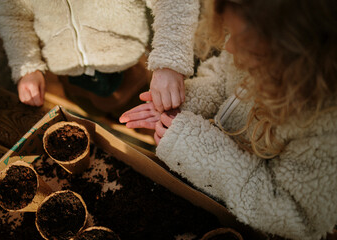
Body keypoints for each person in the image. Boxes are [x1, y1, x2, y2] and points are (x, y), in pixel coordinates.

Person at [120, 0, 337, 239]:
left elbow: (296, 217)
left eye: (248, 46)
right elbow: (224, 78)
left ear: (296, 55)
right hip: (203, 186)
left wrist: (200, 151)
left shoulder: (327, 131)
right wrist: (186, 103)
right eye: (229, 32)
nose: (230, 47)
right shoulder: (252, 37)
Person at [0, 0, 150, 107]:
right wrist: (27, 66)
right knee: (91, 111)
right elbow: (13, 17)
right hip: (69, 75)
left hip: (131, 65)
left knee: (144, 114)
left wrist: (169, 61)